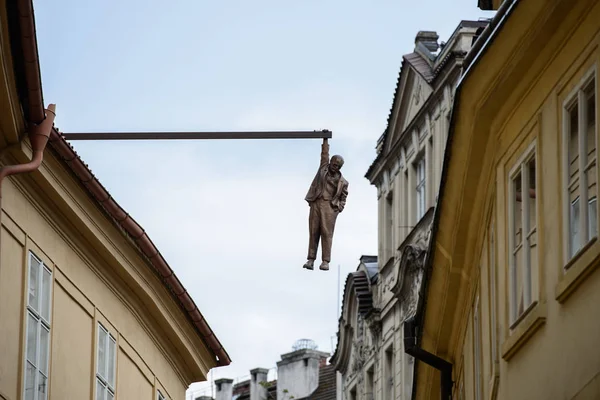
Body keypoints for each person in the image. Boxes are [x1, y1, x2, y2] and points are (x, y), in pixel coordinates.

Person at [303, 138, 348, 271]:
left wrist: (339, 207)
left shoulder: (343, 182)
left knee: (327, 233)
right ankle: (310, 259)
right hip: (317, 203)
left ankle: (325, 261)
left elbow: (344, 196)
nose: (335, 167)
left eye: (338, 166)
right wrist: (325, 139)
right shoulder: (323, 168)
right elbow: (324, 154)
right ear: (330, 163)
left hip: (329, 207)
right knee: (313, 231)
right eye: (334, 164)